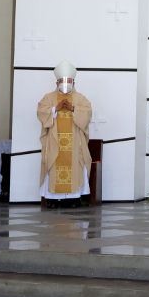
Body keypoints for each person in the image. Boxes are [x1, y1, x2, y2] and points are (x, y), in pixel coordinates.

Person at [37, 61, 92, 208]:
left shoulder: (80, 98)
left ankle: (73, 198)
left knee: (75, 167)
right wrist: (55, 108)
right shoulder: (48, 98)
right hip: (55, 143)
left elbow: (87, 114)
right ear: (57, 82)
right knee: (54, 166)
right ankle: (53, 199)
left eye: (69, 81)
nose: (65, 84)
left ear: (74, 82)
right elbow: (41, 113)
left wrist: (73, 109)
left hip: (74, 144)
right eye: (62, 81)